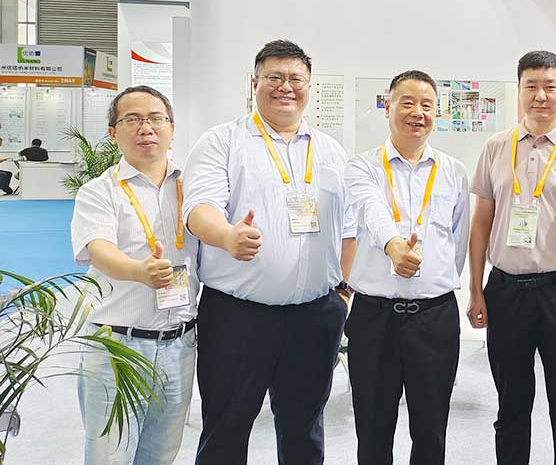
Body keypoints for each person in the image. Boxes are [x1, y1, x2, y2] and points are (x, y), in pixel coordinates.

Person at [183, 40, 356, 465]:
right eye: (274, 77)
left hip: (315, 316)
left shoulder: (330, 151)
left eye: (296, 78)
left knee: (304, 430)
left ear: (309, 86)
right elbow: (198, 208)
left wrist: (342, 292)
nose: (286, 87)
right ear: (255, 83)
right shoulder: (222, 142)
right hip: (238, 317)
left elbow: (349, 229)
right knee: (226, 429)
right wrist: (226, 236)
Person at [466, 50, 556, 465]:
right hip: (506, 289)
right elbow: (481, 223)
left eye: (550, 86)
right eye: (531, 86)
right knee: (511, 405)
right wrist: (475, 289)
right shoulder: (495, 147)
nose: (541, 95)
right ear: (519, 90)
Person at [343, 69, 470, 465]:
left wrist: (434, 280)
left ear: (437, 113)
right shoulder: (362, 167)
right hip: (374, 318)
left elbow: (458, 241)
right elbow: (373, 211)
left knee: (431, 431)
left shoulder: (453, 171)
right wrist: (394, 246)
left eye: (427, 105)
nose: (418, 113)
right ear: (388, 107)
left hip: (434, 318)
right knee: (373, 430)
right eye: (408, 103)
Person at [70, 85, 200, 464]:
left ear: (171, 128)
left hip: (180, 345)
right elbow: (99, 249)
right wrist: (138, 271)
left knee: (161, 455)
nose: (146, 127)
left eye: (156, 118)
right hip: (117, 347)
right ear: (113, 132)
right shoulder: (98, 191)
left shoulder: (192, 189)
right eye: (133, 119)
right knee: (110, 456)